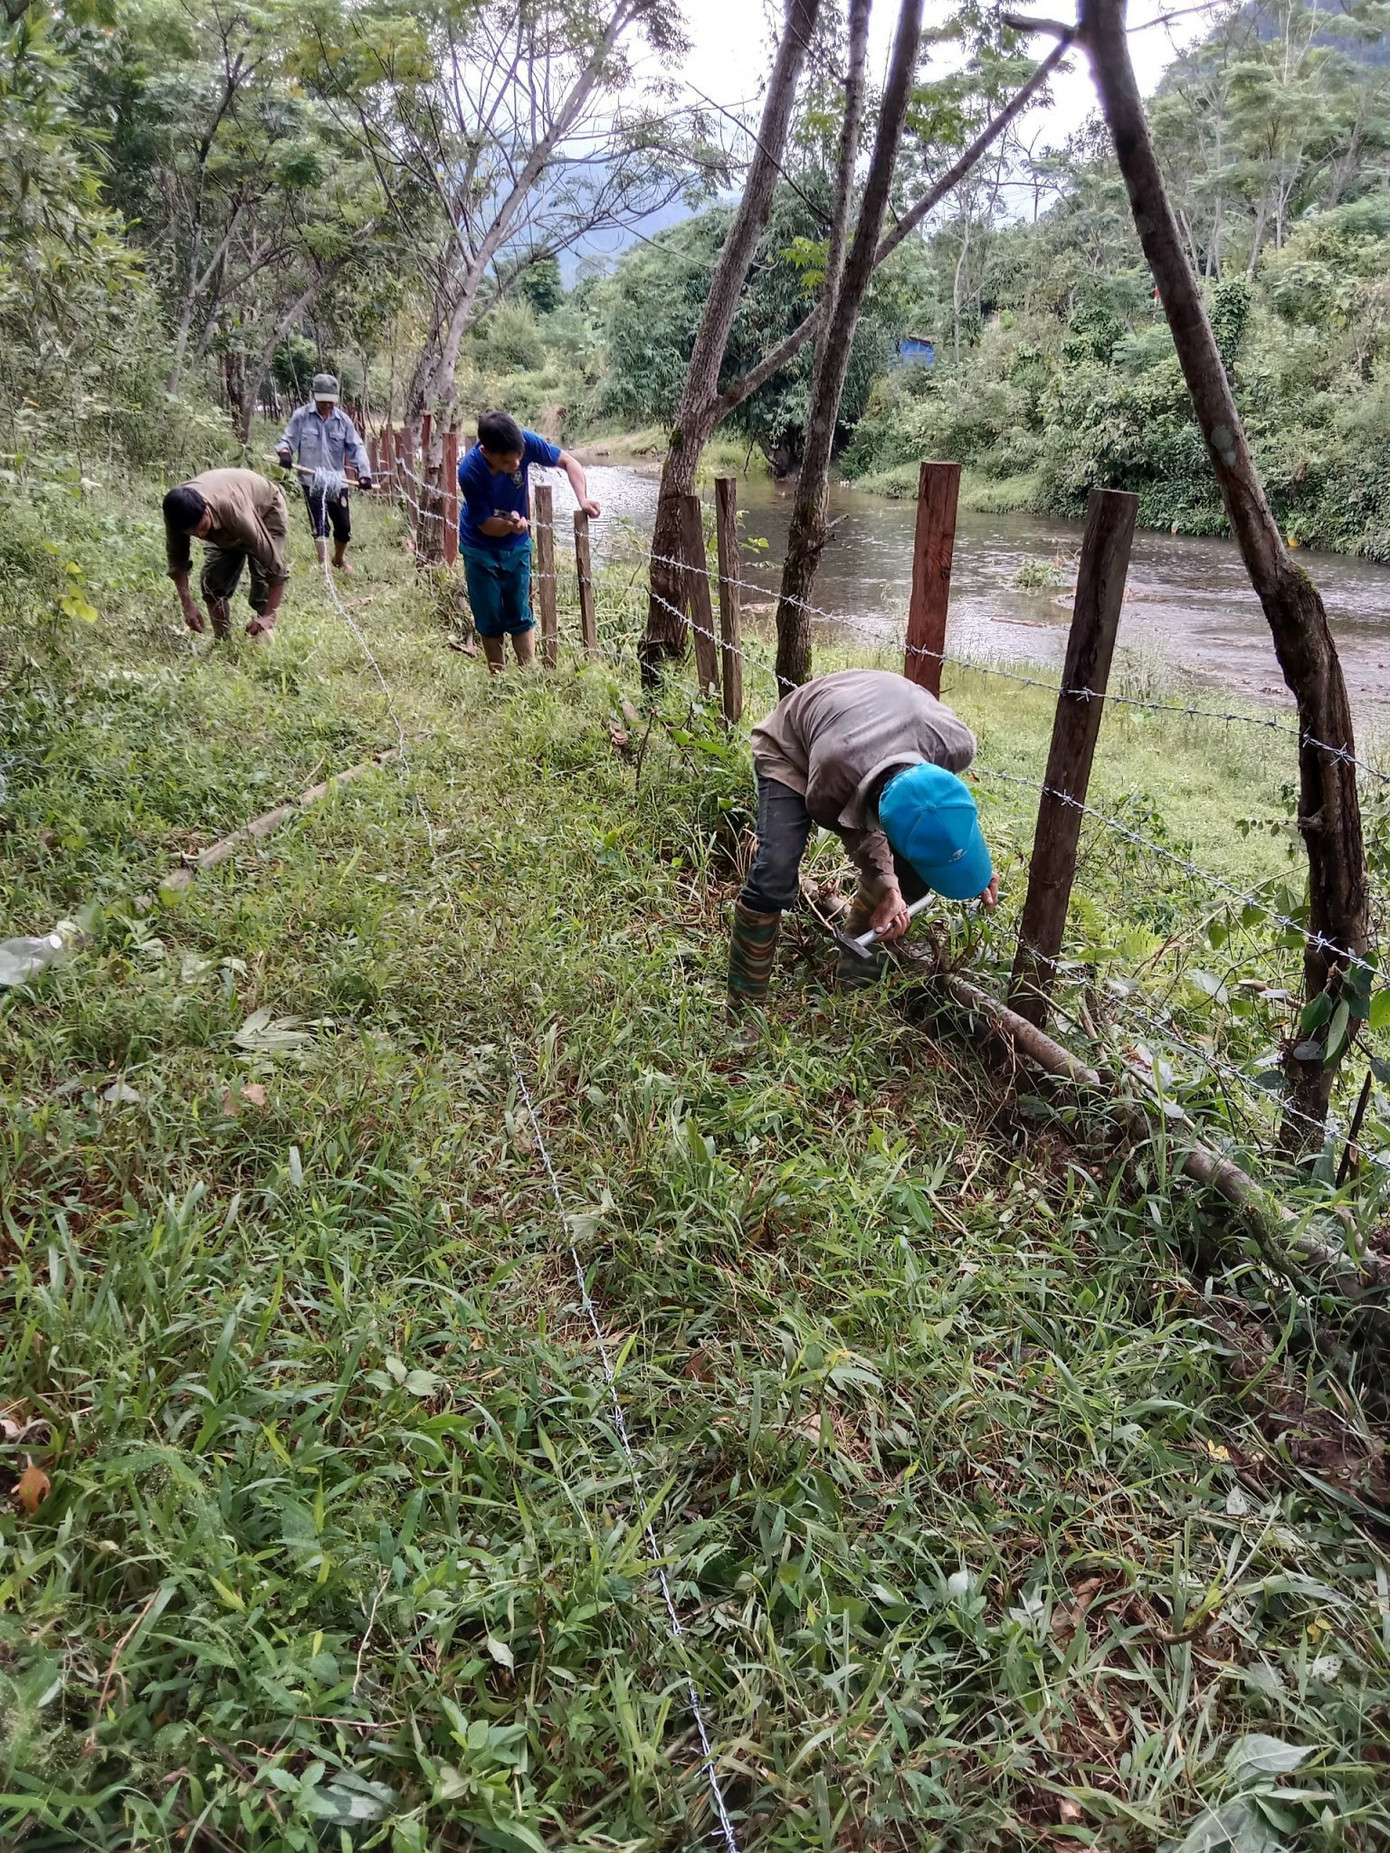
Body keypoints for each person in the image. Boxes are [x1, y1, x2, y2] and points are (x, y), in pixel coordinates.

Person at [728, 668, 999, 1008]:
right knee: (775, 873)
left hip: (877, 715)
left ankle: (855, 978)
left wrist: (973, 864)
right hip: (793, 750)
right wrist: (888, 886)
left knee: (912, 871)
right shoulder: (830, 785)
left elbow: (949, 809)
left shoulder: (955, 743)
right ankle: (743, 1007)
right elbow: (863, 838)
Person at [457, 410, 601, 671]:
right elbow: (487, 526)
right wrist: (510, 527)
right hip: (480, 547)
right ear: (487, 453)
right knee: (489, 615)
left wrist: (583, 498)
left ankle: (528, 673)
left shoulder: (524, 442)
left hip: (516, 545)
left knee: (520, 611)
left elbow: (569, 462)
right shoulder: (470, 472)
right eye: (509, 463)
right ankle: (497, 674)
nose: (517, 464)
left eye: (520, 458)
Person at [163, 467, 290, 642]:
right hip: (224, 520)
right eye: (192, 533)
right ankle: (222, 642)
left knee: (262, 585)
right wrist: (187, 606)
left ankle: (265, 638)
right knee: (212, 581)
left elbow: (276, 568)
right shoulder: (177, 516)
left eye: (202, 527)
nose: (200, 535)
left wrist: (269, 616)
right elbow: (177, 563)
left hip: (266, 510)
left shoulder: (235, 513)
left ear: (206, 509)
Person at [276, 372, 373, 572]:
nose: (327, 406)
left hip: (337, 481)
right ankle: (324, 567)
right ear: (314, 396)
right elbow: (287, 439)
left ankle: (338, 558)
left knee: (344, 527)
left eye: (331, 402)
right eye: (323, 402)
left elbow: (357, 447)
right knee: (319, 526)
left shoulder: (343, 421)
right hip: (311, 481)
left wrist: (364, 473)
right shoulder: (301, 416)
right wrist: (285, 452)